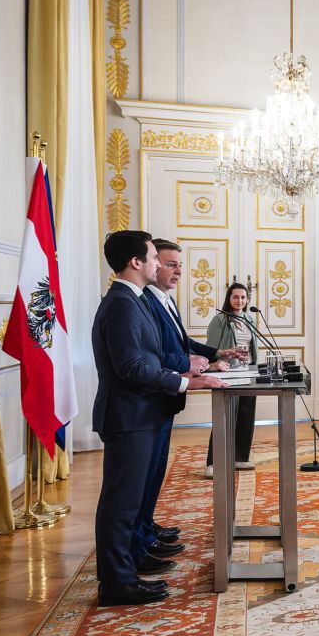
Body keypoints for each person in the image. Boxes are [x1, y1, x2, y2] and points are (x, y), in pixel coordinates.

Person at [91, 232, 221, 607]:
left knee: (129, 500)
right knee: (121, 502)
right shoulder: (121, 304)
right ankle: (117, 583)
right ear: (136, 262)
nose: (157, 264)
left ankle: (125, 569)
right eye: (152, 257)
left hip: (140, 413)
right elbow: (132, 366)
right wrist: (183, 383)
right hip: (130, 416)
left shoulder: (133, 301)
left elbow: (150, 356)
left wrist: (184, 378)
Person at [143, 241, 232, 564]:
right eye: (168, 263)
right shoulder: (144, 302)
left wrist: (214, 353)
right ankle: (141, 537)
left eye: (179, 265)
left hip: (165, 396)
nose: (177, 270)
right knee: (145, 474)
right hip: (152, 396)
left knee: (154, 472)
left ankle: (146, 528)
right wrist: (187, 362)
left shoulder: (165, 301)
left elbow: (182, 341)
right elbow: (154, 354)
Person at [204, 282, 258, 475]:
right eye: (235, 297)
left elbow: (253, 347)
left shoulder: (250, 318)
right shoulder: (220, 320)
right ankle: (213, 463)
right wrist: (218, 363)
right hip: (228, 372)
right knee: (225, 416)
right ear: (229, 298)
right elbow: (211, 349)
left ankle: (239, 458)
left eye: (243, 297)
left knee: (246, 414)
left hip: (249, 371)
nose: (240, 301)